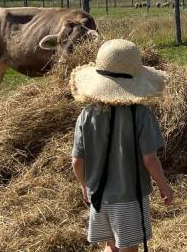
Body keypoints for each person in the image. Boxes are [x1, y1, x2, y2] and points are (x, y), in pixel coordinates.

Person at [70, 39, 173, 252]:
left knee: (111, 245)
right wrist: (164, 186)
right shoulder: (142, 115)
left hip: (98, 195)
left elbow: (77, 161)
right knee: (128, 248)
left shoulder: (86, 115)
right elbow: (149, 159)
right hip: (129, 197)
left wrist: (84, 187)